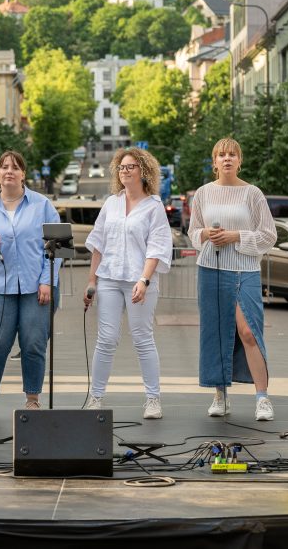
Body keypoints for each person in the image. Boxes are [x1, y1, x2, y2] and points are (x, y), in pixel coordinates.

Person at [188, 138, 277, 421]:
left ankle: (262, 398)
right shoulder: (202, 193)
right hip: (211, 268)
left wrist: (236, 236)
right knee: (215, 332)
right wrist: (206, 235)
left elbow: (268, 235)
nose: (227, 159)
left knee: (249, 331)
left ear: (240, 161)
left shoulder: (253, 194)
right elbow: (192, 232)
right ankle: (220, 394)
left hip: (245, 270)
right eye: (221, 155)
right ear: (214, 162)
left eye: (232, 155)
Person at [0, 150, 61, 419]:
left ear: (23, 174)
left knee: (33, 342)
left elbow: (56, 247)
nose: (9, 171)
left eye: (15, 167)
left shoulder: (42, 205)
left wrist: (47, 281)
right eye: (4, 167)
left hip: (36, 287)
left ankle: (32, 397)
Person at [82, 148, 172, 419]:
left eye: (130, 167)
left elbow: (156, 247)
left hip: (138, 280)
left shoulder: (154, 207)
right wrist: (91, 282)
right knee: (106, 339)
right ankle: (95, 397)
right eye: (121, 167)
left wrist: (144, 280)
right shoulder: (112, 203)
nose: (125, 171)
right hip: (108, 278)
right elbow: (98, 242)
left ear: (143, 171)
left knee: (142, 338)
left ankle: (153, 399)